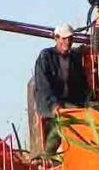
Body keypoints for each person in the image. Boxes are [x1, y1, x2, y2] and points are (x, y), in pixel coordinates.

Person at [33, 23, 88, 155]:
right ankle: (48, 155)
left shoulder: (74, 58)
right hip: (49, 103)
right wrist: (53, 104)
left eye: (70, 38)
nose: (67, 42)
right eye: (64, 38)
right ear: (56, 39)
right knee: (62, 119)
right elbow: (43, 85)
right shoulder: (45, 56)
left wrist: (88, 101)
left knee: (85, 114)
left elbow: (81, 84)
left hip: (69, 102)